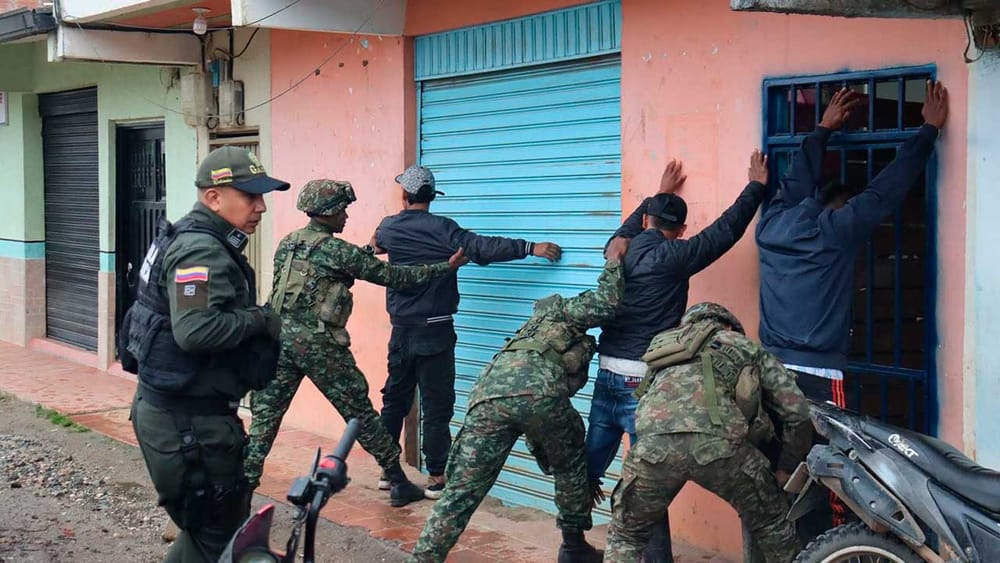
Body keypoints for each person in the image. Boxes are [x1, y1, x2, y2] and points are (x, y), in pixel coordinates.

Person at [755, 80, 949, 536]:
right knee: (836, 473)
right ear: (836, 209)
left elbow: (794, 182)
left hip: (767, 368)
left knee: (778, 470)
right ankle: (833, 548)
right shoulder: (834, 233)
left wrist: (822, 129)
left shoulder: (771, 226)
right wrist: (927, 132)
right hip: (819, 376)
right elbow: (883, 194)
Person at [586, 151, 771, 561]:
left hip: (607, 373)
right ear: (682, 229)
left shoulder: (618, 248)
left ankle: (571, 543)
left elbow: (628, 228)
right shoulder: (677, 256)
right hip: (642, 383)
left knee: (587, 470)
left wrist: (657, 195)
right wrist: (756, 187)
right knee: (649, 481)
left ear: (647, 221)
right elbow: (726, 230)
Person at [244, 179, 469, 507]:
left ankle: (238, 493)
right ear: (330, 211)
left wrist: (366, 251)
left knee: (264, 419)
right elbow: (396, 277)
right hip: (317, 344)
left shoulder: (289, 242)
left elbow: (331, 268)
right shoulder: (337, 251)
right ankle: (397, 480)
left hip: (277, 340)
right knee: (359, 412)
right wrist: (444, 267)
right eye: (343, 210)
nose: (346, 216)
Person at [407, 237, 631, 563]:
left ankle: (422, 559)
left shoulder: (525, 332)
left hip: (487, 399)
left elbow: (525, 411)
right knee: (571, 465)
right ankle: (573, 546)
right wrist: (614, 261)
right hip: (539, 399)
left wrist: (542, 447)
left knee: (459, 493)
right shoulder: (564, 313)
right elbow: (607, 303)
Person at [123, 145, 289, 562]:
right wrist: (260, 319)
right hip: (186, 422)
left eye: (261, 196)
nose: (261, 207)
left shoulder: (200, 239)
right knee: (218, 533)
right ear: (213, 197)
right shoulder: (200, 251)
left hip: (184, 413)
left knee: (209, 533)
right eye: (250, 196)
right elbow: (196, 331)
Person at [371, 164, 562, 499]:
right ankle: (436, 477)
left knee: (395, 402)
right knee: (436, 406)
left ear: (404, 194)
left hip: (400, 332)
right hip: (436, 331)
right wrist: (530, 247)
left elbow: (374, 247)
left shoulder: (389, 227)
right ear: (432, 196)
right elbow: (483, 248)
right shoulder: (444, 229)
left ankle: (388, 471)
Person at [604, 303, 812, 563]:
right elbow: (797, 411)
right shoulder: (743, 345)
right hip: (720, 447)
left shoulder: (664, 346)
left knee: (626, 536)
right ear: (728, 326)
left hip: (652, 449)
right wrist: (787, 467)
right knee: (772, 525)